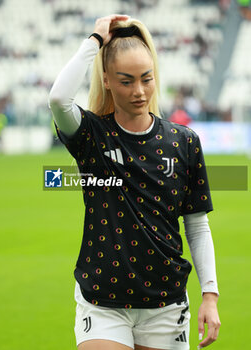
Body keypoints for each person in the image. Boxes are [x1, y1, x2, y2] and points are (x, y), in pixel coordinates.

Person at [48, 14, 221, 350]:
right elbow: (58, 99)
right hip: (102, 302)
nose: (139, 91)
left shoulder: (184, 141)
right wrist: (95, 40)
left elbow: (197, 227)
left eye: (146, 78)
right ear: (107, 80)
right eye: (126, 81)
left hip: (166, 305)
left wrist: (210, 295)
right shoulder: (91, 135)